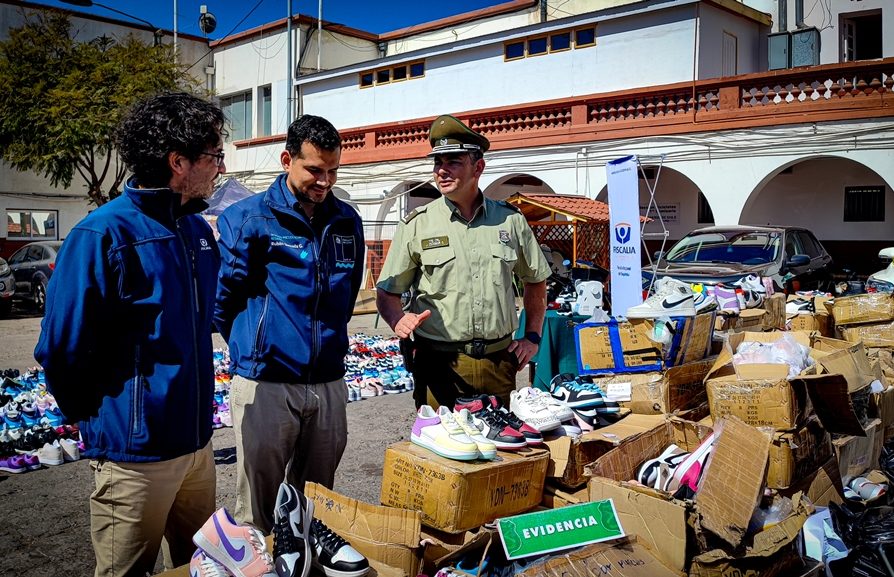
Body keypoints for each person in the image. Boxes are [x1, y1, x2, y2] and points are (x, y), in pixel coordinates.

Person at [34, 92, 225, 576]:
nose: (220, 167)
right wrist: (107, 424)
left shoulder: (197, 232)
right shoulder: (102, 235)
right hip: (134, 458)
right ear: (177, 161)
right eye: (214, 155)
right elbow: (60, 349)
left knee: (202, 567)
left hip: (197, 447)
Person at [214, 114, 364, 532]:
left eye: (333, 171)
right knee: (257, 515)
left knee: (315, 507)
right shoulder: (249, 219)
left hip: (329, 383)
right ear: (287, 159)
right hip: (267, 386)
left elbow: (346, 295)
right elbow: (224, 300)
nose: (325, 181)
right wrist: (255, 349)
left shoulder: (346, 221)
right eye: (315, 170)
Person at [375, 114, 551, 410]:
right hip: (440, 364)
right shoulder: (417, 224)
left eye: (453, 161)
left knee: (500, 452)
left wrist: (531, 336)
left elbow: (536, 280)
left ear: (478, 167)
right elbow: (387, 292)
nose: (441, 171)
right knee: (442, 449)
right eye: (437, 163)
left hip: (499, 363)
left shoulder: (509, 220)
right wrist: (397, 319)